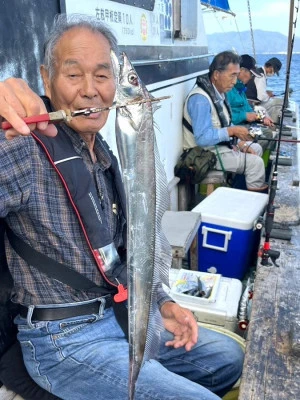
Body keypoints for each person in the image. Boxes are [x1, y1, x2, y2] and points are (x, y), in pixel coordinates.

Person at [0, 14, 244, 400]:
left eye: (102, 75)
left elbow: (122, 256)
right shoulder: (22, 148)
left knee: (229, 357)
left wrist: (162, 304)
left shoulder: (107, 156)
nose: (90, 91)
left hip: (118, 313)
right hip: (63, 340)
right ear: (46, 79)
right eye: (73, 74)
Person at [183, 50, 268, 192]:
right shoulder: (200, 100)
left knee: (255, 148)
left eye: (237, 75)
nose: (235, 81)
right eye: (232, 75)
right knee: (256, 164)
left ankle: (238, 191)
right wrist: (232, 131)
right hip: (202, 154)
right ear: (216, 74)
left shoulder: (219, 94)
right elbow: (202, 139)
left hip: (216, 148)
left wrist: (241, 143)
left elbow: (225, 122)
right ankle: (250, 204)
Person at [226, 54, 275, 152]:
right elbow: (227, 118)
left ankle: (261, 161)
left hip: (249, 125)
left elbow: (249, 109)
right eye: (251, 74)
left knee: (269, 134)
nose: (251, 77)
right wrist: (244, 116)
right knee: (262, 139)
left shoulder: (241, 89)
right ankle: (252, 159)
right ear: (242, 70)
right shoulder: (228, 90)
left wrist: (262, 117)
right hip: (238, 127)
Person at [246, 57, 283, 122]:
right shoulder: (261, 76)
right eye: (274, 71)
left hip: (249, 101)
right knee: (278, 103)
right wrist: (268, 95)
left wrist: (266, 93)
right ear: (271, 68)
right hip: (253, 104)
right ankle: (273, 124)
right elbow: (261, 97)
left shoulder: (258, 71)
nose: (273, 74)